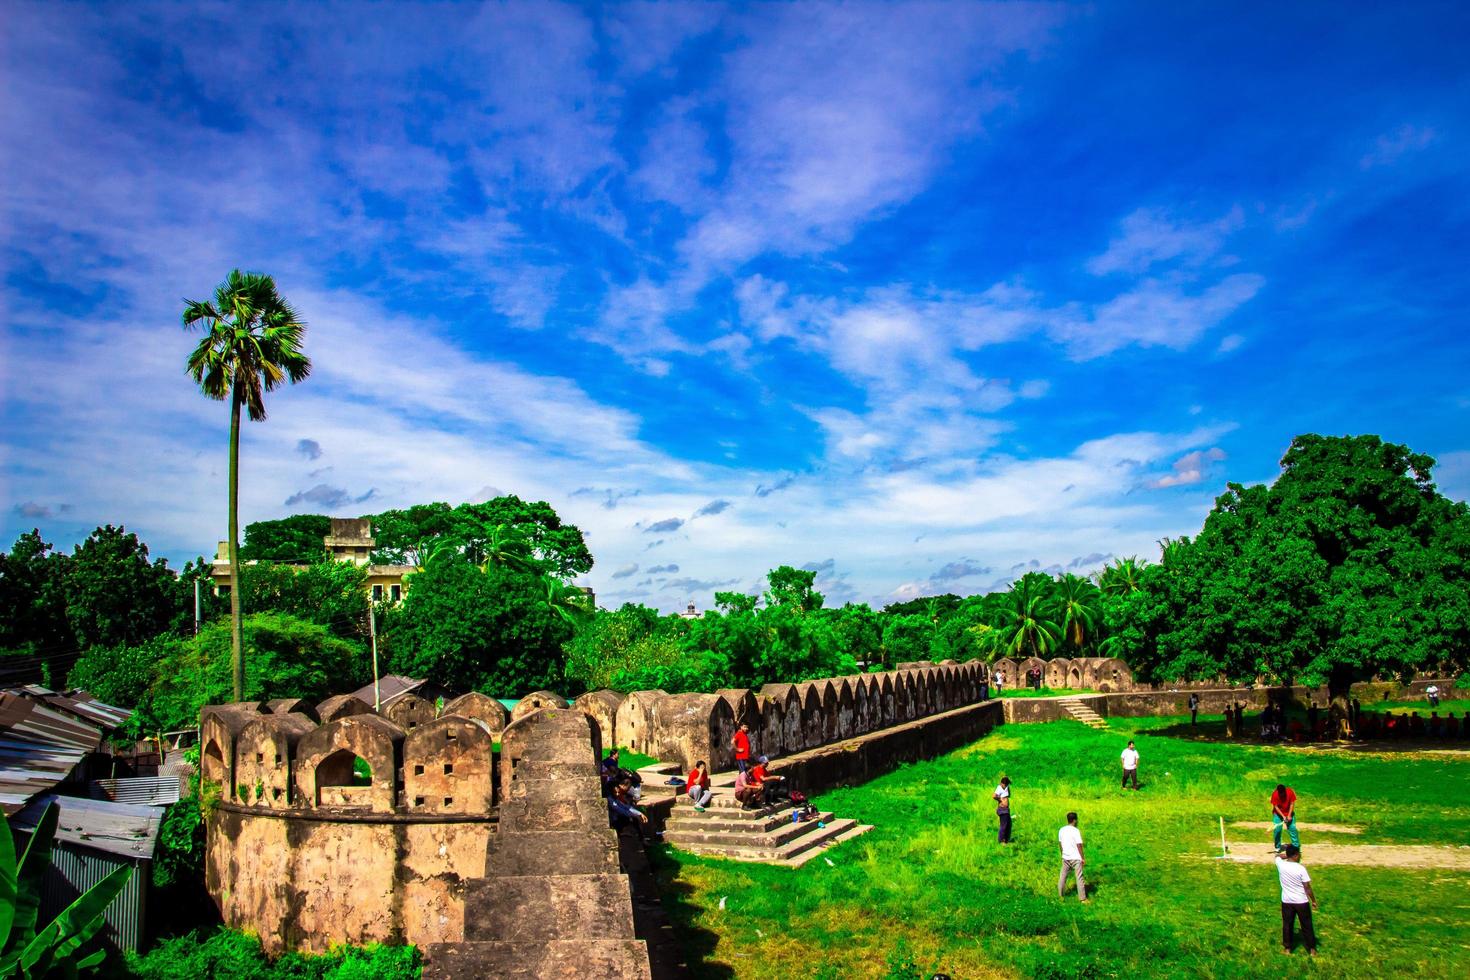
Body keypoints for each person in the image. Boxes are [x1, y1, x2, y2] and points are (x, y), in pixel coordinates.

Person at [1276, 844, 1317, 956]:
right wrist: (1313, 900)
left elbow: (1277, 856)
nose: (1300, 857)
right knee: (1306, 925)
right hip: (1301, 902)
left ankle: (1287, 949)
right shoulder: (1301, 869)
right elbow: (1307, 887)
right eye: (1299, 854)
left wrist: (1285, 855)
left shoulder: (1280, 865)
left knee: (1287, 924)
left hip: (1287, 901)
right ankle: (1312, 949)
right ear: (1295, 855)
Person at [1057, 812, 1087, 902]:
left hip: (1065, 857)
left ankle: (1060, 895)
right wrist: (1082, 858)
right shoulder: (1076, 831)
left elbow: (1060, 844)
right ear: (1075, 820)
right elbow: (1079, 845)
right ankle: (1082, 899)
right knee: (1079, 877)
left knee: (1062, 876)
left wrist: (1063, 854)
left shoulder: (1062, 830)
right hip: (1076, 857)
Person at [1271, 783, 1299, 854]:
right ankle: (1277, 847)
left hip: (1289, 813)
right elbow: (1276, 807)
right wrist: (1283, 817)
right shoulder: (1275, 795)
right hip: (1278, 814)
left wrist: (1289, 815)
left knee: (1292, 829)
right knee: (1277, 830)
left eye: (1283, 793)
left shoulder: (1290, 792)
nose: (1281, 795)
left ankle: (1296, 847)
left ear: (1285, 791)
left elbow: (1292, 804)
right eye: (1280, 794)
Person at [993, 775, 1012, 844]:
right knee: (1004, 825)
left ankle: (1006, 840)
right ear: (1002, 783)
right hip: (1002, 809)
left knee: (1008, 824)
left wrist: (1007, 788)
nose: (1006, 785)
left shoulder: (1006, 787)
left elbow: (1009, 795)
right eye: (1006, 784)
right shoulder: (999, 788)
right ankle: (1001, 841)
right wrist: (1000, 799)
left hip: (1006, 809)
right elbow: (994, 796)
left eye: (1007, 784)